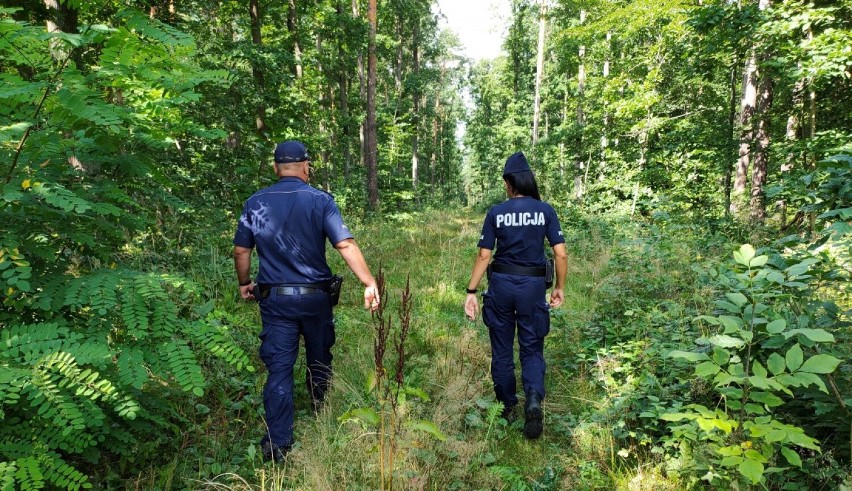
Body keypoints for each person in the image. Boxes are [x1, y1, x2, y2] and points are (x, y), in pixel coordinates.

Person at [233, 140, 380, 462]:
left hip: (275, 301)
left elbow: (242, 250)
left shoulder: (255, 202)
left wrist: (245, 283)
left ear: (275, 167)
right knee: (319, 354)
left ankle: (277, 444)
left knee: (279, 370)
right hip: (316, 299)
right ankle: (319, 404)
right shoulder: (320, 200)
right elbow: (345, 245)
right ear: (306, 166)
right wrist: (369, 282)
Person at [464, 151, 567, 440]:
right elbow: (560, 253)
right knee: (532, 347)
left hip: (501, 286)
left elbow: (485, 255)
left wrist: (471, 290)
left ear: (510, 183)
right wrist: (559, 287)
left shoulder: (496, 212)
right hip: (533, 287)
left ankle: (507, 407)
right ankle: (533, 399)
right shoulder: (545, 210)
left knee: (502, 349)